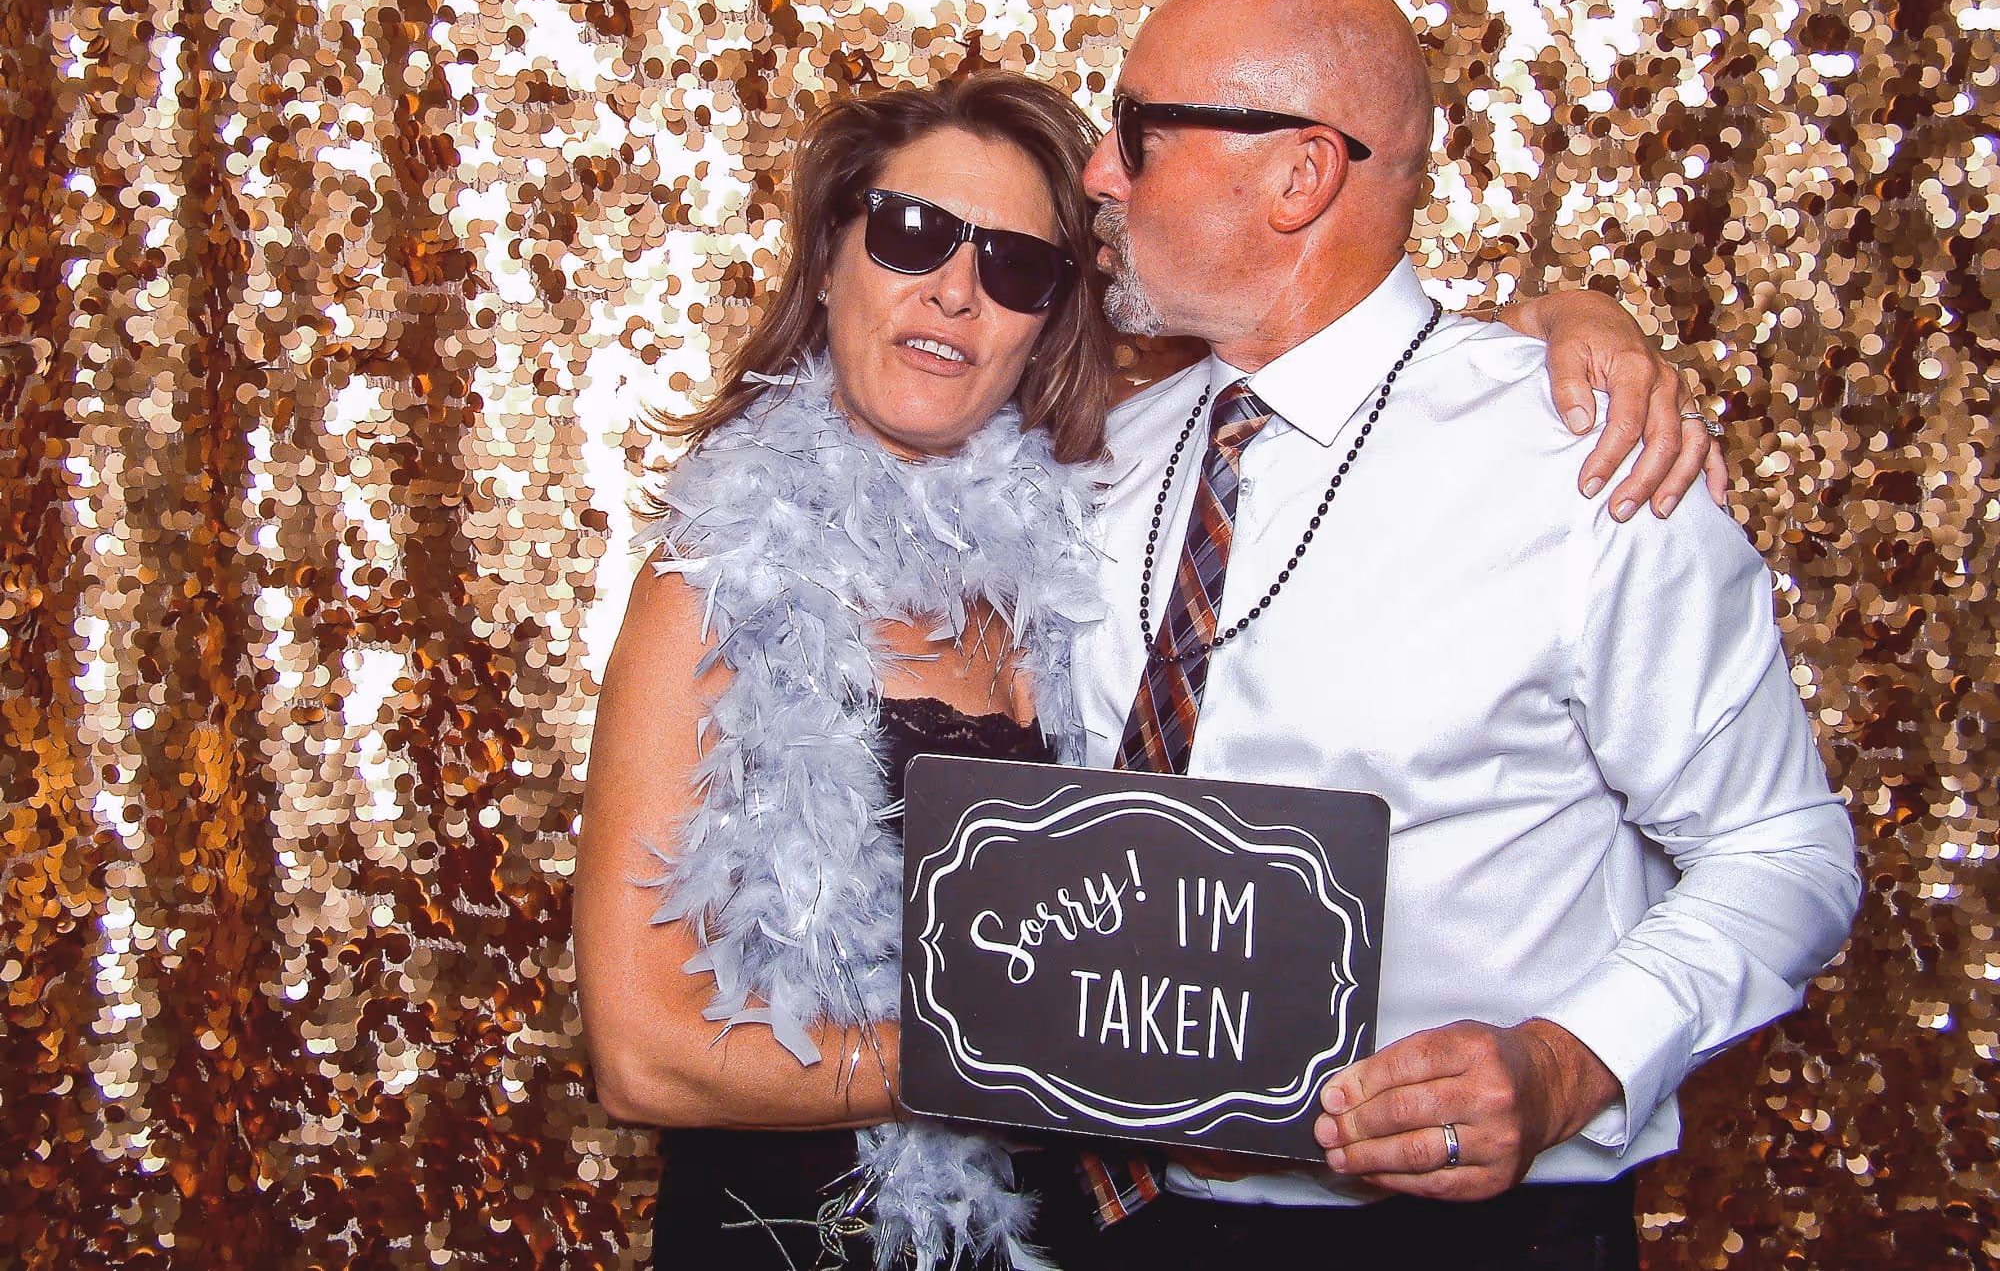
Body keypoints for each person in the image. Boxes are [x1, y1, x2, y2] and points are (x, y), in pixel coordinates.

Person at [573, 71, 1726, 1271]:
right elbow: (643, 1053)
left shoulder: (1092, 515)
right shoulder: (711, 583)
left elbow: (1345, 349)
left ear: (1046, 318)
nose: (955, 290)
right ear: (828, 257)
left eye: (1014, 265)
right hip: (817, 1228)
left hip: (1085, 1229)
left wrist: (1574, 321)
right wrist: (1025, 1051)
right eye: (909, 232)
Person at [1044, 0, 1862, 1270]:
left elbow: (1784, 847)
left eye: (1137, 131)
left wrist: (1565, 1062)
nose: (1098, 171)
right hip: (1105, 1223)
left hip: (1470, 1236)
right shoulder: (1103, 464)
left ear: (1300, 174)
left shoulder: (1581, 463)